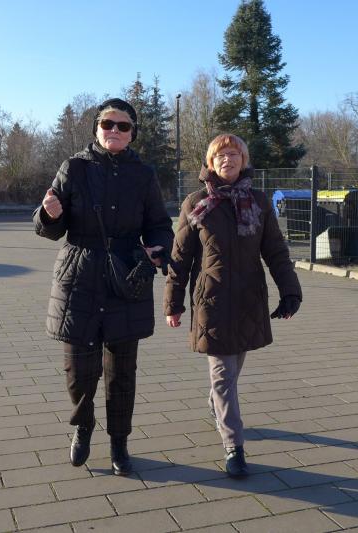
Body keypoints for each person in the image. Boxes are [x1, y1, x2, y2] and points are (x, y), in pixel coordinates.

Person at [33, 98, 173, 476]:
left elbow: (159, 225)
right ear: (96, 128)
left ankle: (119, 442)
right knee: (78, 369)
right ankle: (83, 425)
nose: (115, 130)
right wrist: (49, 214)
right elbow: (48, 224)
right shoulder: (74, 168)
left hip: (126, 278)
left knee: (122, 371)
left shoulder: (143, 174)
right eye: (108, 123)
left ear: (132, 133)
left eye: (123, 126)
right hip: (79, 277)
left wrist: (159, 249)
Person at [164, 133, 302, 478]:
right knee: (224, 375)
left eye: (234, 154)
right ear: (210, 163)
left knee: (232, 369)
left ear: (244, 161)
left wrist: (291, 292)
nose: (228, 160)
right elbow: (179, 258)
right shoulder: (196, 203)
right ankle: (233, 447)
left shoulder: (258, 201)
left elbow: (275, 251)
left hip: (248, 299)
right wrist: (173, 303)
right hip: (210, 302)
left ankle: (216, 405)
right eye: (221, 155)